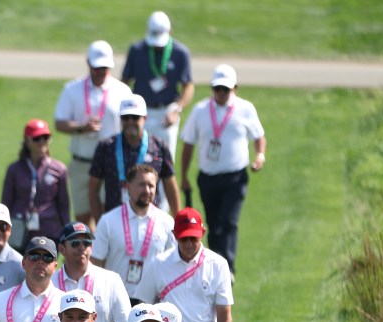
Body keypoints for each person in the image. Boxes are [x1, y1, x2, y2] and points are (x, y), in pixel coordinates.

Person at [180, 64, 267, 275]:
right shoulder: (201, 110)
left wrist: (259, 156)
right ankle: (219, 265)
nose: (221, 93)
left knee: (229, 221)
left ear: (235, 88)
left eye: (225, 90)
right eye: (217, 89)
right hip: (208, 177)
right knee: (213, 224)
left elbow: (259, 136)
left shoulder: (245, 109)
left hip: (235, 177)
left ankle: (229, 267)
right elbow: (188, 143)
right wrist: (183, 176)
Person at [54, 40, 133, 225]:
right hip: (82, 162)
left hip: (111, 164)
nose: (100, 72)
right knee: (82, 219)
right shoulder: (72, 89)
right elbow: (59, 123)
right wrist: (82, 128)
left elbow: (131, 126)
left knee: (108, 217)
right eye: (97, 67)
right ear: (88, 63)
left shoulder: (122, 91)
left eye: (105, 68)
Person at [92, 164, 176, 302]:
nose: (147, 190)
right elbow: (95, 262)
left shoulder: (167, 223)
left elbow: (172, 264)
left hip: (152, 303)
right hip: (115, 300)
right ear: (127, 186)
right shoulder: (108, 221)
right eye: (141, 185)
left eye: (151, 186)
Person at [88, 95, 179, 221]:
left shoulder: (159, 146)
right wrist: (100, 223)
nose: (130, 122)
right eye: (126, 117)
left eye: (135, 117)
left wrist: (178, 223)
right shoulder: (106, 147)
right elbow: (93, 188)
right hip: (115, 220)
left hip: (150, 221)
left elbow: (170, 186)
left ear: (145, 118)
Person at [122, 11, 195, 160]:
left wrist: (177, 110)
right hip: (140, 113)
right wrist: (127, 111)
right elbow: (124, 82)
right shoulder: (136, 50)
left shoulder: (180, 53)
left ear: (170, 32)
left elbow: (188, 86)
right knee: (138, 159)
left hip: (167, 112)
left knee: (165, 160)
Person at [54, 221, 130, 322]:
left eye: (87, 243)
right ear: (62, 249)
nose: (82, 247)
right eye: (75, 243)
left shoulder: (111, 280)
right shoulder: (50, 283)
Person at [1, 118, 70, 243]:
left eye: (45, 137)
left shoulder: (59, 169)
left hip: (49, 230)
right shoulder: (14, 169)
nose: (42, 141)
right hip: (19, 229)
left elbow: (63, 205)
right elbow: (6, 203)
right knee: (19, 262)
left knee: (47, 262)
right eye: (37, 138)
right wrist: (2, 230)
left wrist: (67, 236)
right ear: (27, 141)